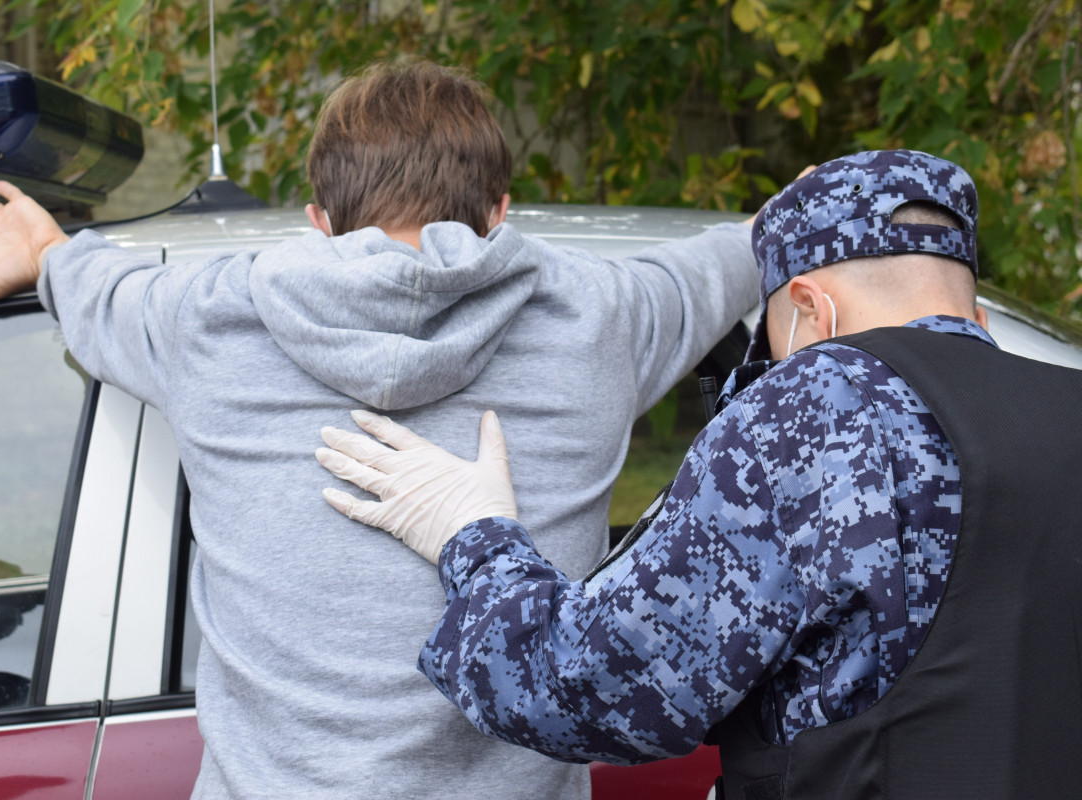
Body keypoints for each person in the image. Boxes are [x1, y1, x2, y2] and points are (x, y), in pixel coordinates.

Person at [0, 62, 759, 799]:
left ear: (319, 220)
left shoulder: (212, 321)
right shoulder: (601, 319)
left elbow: (97, 292)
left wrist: (45, 252)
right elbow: (751, 250)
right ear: (501, 212)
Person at [316, 149, 1082, 798]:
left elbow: (599, 689)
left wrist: (473, 538)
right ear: (975, 316)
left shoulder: (818, 406)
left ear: (813, 313)